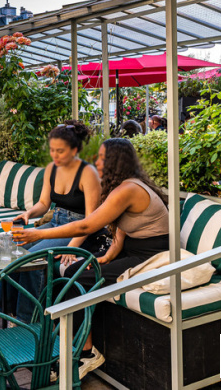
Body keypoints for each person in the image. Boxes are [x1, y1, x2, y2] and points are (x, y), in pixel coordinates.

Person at [13, 138, 169, 379]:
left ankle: (86, 353)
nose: (96, 161)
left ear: (117, 162)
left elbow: (86, 226)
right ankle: (57, 340)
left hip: (150, 255)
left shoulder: (128, 189)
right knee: (67, 267)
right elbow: (125, 227)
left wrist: (38, 233)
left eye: (102, 157)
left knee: (77, 277)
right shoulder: (126, 186)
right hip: (132, 250)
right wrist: (108, 255)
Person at [4, 120, 102, 325]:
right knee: (10, 247)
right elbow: (43, 203)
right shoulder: (52, 169)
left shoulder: (88, 174)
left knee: (32, 258)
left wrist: (73, 247)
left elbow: (92, 221)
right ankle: (6, 312)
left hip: (77, 228)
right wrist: (28, 214)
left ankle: (28, 321)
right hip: (56, 220)